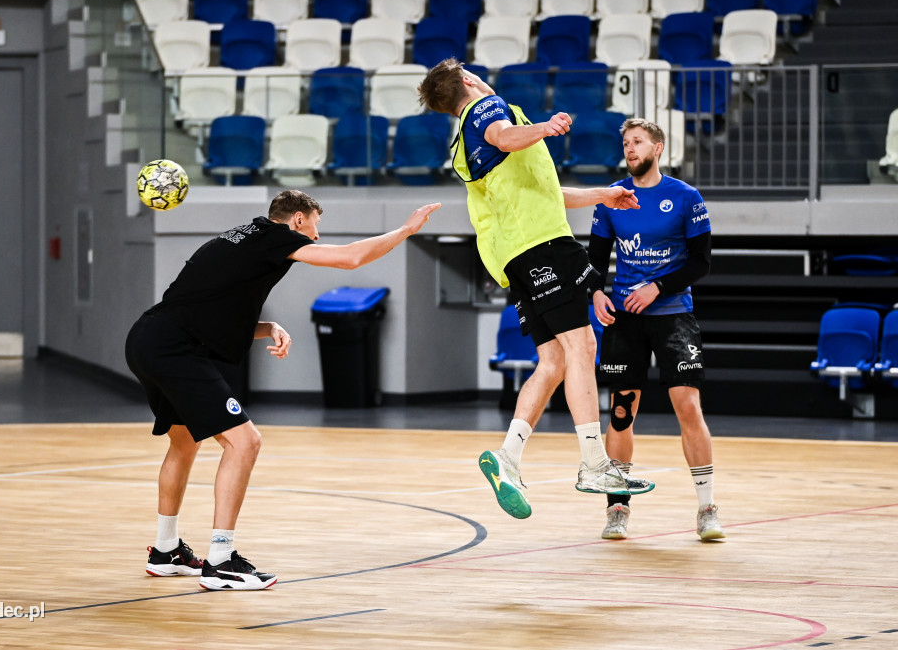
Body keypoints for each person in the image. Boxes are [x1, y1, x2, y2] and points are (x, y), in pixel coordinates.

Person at [126, 190, 441, 590]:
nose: (314, 235)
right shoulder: (276, 237)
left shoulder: (242, 236)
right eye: (314, 225)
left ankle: (166, 550)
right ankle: (222, 560)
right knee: (245, 442)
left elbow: (207, 306)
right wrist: (407, 229)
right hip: (174, 349)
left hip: (148, 339)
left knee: (184, 442)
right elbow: (350, 258)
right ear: (296, 220)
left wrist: (267, 328)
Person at [417, 58, 655, 521]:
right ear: (468, 80)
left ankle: (507, 457)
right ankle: (594, 465)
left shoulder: (466, 135)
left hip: (518, 252)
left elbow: (547, 191)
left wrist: (603, 195)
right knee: (583, 345)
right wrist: (546, 126)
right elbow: (505, 136)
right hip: (540, 244)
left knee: (555, 360)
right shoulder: (487, 108)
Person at [587, 117, 724, 542]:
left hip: (673, 315)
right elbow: (594, 259)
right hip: (626, 318)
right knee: (622, 413)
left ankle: (707, 507)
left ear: (658, 148)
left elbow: (700, 262)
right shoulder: (612, 199)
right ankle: (617, 509)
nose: (629, 149)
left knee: (688, 406)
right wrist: (596, 293)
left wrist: (657, 287)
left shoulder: (685, 197)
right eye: (625, 143)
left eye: (638, 142)